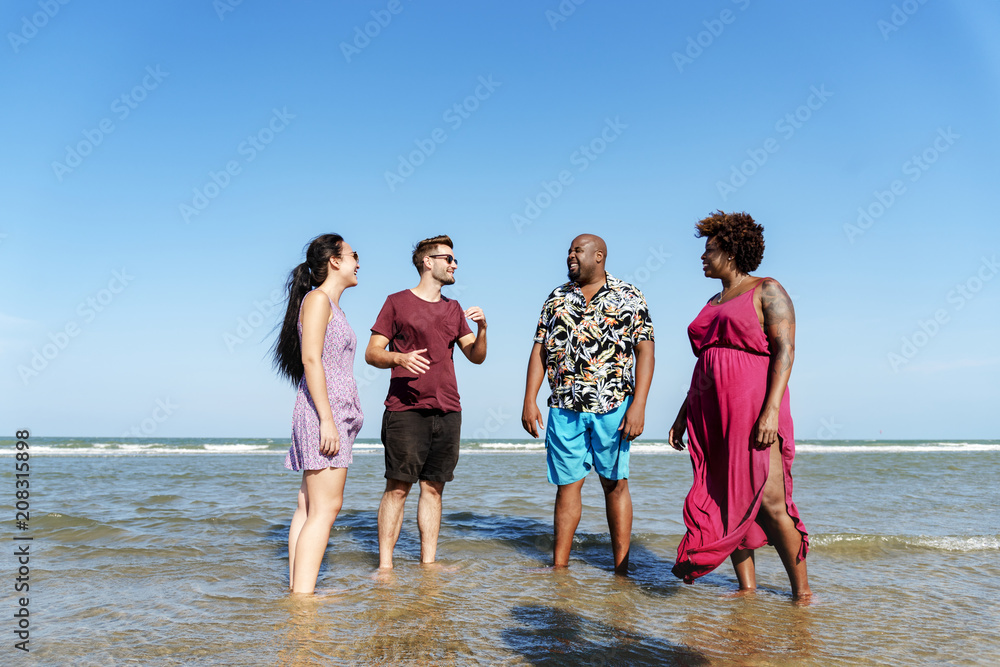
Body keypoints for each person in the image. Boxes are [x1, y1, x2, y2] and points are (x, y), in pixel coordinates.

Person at [669, 211, 811, 599]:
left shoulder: (767, 289)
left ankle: (802, 593)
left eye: (709, 250)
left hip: (753, 405)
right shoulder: (713, 299)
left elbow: (785, 351)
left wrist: (770, 410)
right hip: (712, 410)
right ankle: (745, 590)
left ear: (730, 251)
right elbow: (706, 361)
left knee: (770, 500)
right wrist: (683, 415)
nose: (703, 257)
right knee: (728, 496)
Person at [522, 234, 655, 574]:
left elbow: (645, 351)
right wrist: (529, 399)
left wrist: (638, 404)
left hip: (613, 406)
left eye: (577, 251)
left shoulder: (629, 295)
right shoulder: (556, 298)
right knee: (567, 487)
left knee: (615, 483)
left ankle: (622, 570)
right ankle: (559, 567)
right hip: (564, 406)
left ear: (598, 256)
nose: (570, 256)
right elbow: (540, 350)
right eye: (568, 250)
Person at [365, 234, 487, 570]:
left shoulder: (453, 309)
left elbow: (475, 357)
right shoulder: (396, 302)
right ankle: (386, 567)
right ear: (427, 262)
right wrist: (399, 359)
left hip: (448, 409)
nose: (454, 264)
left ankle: (428, 563)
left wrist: (483, 330)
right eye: (448, 258)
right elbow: (372, 353)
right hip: (405, 409)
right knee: (398, 488)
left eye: (455, 259)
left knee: (434, 489)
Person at [272, 234, 364, 594]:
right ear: (335, 261)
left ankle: (298, 591)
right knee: (326, 508)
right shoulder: (318, 299)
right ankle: (304, 599)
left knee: (309, 505)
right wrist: (327, 418)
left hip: (333, 413)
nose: (359, 262)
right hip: (323, 414)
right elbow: (311, 358)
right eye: (354, 255)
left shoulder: (330, 305)